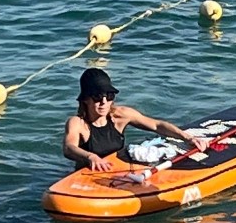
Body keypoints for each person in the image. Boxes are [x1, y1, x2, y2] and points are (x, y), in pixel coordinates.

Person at [63, 68, 209, 172]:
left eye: (109, 96)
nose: (104, 102)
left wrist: (188, 138)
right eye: (97, 97)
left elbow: (157, 126)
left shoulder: (120, 115)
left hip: (115, 172)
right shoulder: (78, 123)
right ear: (85, 99)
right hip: (85, 175)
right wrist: (91, 157)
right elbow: (69, 147)